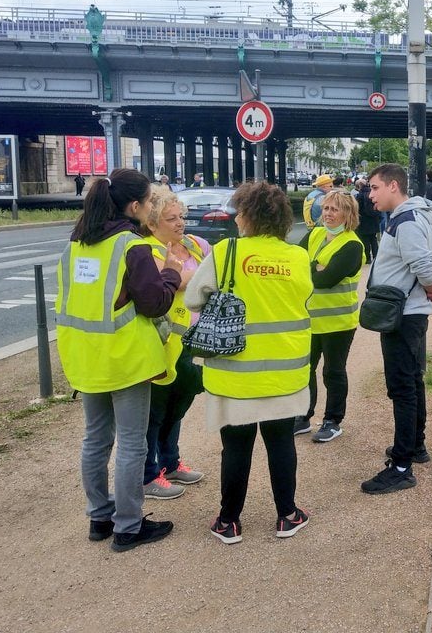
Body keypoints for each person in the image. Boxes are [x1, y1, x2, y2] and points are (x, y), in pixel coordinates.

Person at [55, 168, 182, 552]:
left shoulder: (77, 243)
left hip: (84, 355)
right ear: (134, 205)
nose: (149, 208)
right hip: (125, 357)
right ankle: (128, 526)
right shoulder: (131, 246)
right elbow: (154, 302)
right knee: (130, 443)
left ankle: (100, 517)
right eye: (147, 202)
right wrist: (172, 275)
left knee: (95, 439)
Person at [185, 181, 313, 544]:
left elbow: (194, 298)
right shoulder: (298, 257)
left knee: (236, 447)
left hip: (234, 374)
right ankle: (287, 515)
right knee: (281, 443)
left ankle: (229, 521)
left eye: (239, 212)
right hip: (284, 372)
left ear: (248, 216)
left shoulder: (226, 252)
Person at [363, 163, 432, 494]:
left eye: (374, 187)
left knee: (402, 387)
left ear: (393, 186)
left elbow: (423, 263)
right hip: (406, 312)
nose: (370, 195)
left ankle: (401, 467)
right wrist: (431, 291)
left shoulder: (407, 220)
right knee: (411, 379)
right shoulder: (405, 218)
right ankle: (415, 446)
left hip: (402, 314)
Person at [139, 186, 209, 500]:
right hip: (162, 344)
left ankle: (170, 462)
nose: (180, 223)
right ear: (152, 225)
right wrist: (204, 277)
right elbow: (174, 282)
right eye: (171, 219)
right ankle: (149, 474)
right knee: (156, 411)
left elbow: (215, 273)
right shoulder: (146, 250)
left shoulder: (194, 245)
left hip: (194, 342)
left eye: (181, 216)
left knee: (180, 406)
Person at [294, 190, 364, 442]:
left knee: (333, 372)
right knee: (305, 369)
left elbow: (326, 280)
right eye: (326, 208)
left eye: (335, 209)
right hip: (309, 320)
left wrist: (310, 268)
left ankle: (332, 420)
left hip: (338, 323)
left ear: (348, 214)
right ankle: (303, 416)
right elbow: (295, 263)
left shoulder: (352, 245)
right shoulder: (314, 234)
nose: (328, 213)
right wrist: (315, 268)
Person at [354, 179, 381, 262]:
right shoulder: (373, 194)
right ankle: (376, 256)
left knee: (365, 240)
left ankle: (368, 258)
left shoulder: (360, 196)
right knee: (373, 239)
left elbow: (357, 209)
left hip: (363, 221)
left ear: (359, 186)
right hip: (374, 220)